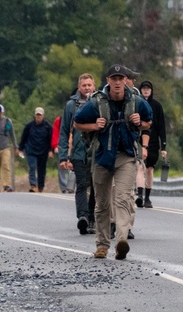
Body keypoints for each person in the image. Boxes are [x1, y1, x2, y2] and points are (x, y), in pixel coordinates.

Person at [73, 64, 152, 260]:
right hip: (102, 156)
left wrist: (139, 123)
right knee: (101, 203)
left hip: (126, 156)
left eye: (120, 78)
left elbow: (149, 121)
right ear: (108, 80)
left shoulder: (136, 101)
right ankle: (101, 245)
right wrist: (94, 125)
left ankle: (121, 241)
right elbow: (77, 123)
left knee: (124, 198)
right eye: (113, 78)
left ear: (126, 80)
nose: (117, 82)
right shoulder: (96, 102)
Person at [60, 73, 97, 235]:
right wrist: (63, 156)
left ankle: (93, 218)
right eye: (84, 85)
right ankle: (83, 216)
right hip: (78, 152)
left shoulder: (99, 102)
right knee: (81, 185)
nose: (87, 88)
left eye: (89, 85)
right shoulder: (71, 105)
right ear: (79, 87)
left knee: (96, 186)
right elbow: (64, 131)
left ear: (94, 86)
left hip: (96, 151)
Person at [136, 80, 167, 208]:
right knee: (139, 167)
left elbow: (162, 127)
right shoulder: (136, 103)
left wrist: (163, 146)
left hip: (153, 142)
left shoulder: (157, 106)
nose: (146, 90)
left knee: (149, 169)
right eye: (143, 88)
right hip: (138, 140)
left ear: (151, 90)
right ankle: (140, 195)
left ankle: (147, 197)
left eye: (148, 88)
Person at [19, 107, 54, 193]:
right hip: (31, 150)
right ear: (35, 115)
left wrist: (51, 150)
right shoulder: (29, 126)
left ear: (43, 116)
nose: (38, 117)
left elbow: (51, 139)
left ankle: (41, 186)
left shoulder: (48, 127)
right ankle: (33, 185)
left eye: (40, 115)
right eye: (37, 115)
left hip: (43, 151)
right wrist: (21, 148)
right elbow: (24, 137)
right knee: (32, 167)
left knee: (42, 170)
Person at [51, 116, 74, 194]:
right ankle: (64, 188)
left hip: (72, 145)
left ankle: (71, 187)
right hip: (62, 146)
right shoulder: (59, 120)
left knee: (72, 167)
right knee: (62, 167)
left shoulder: (76, 118)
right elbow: (56, 133)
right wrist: (55, 146)